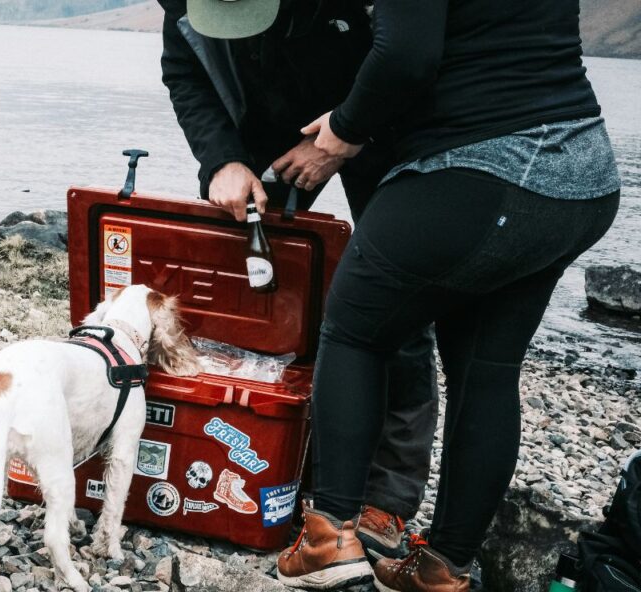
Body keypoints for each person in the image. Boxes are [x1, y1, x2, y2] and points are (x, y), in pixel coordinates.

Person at [265, 0, 620, 588]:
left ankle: (328, 539)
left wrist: (345, 130)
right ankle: (442, 569)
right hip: (579, 173)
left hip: (482, 168)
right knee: (487, 368)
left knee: (353, 329)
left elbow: (406, 56)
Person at [159, 0, 438, 558]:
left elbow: (405, 58)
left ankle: (386, 498)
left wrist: (342, 132)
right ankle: (244, 451)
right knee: (241, 285)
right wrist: (221, 160)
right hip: (264, 126)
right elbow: (183, 71)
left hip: (377, 124)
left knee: (396, 304)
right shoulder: (182, 4)